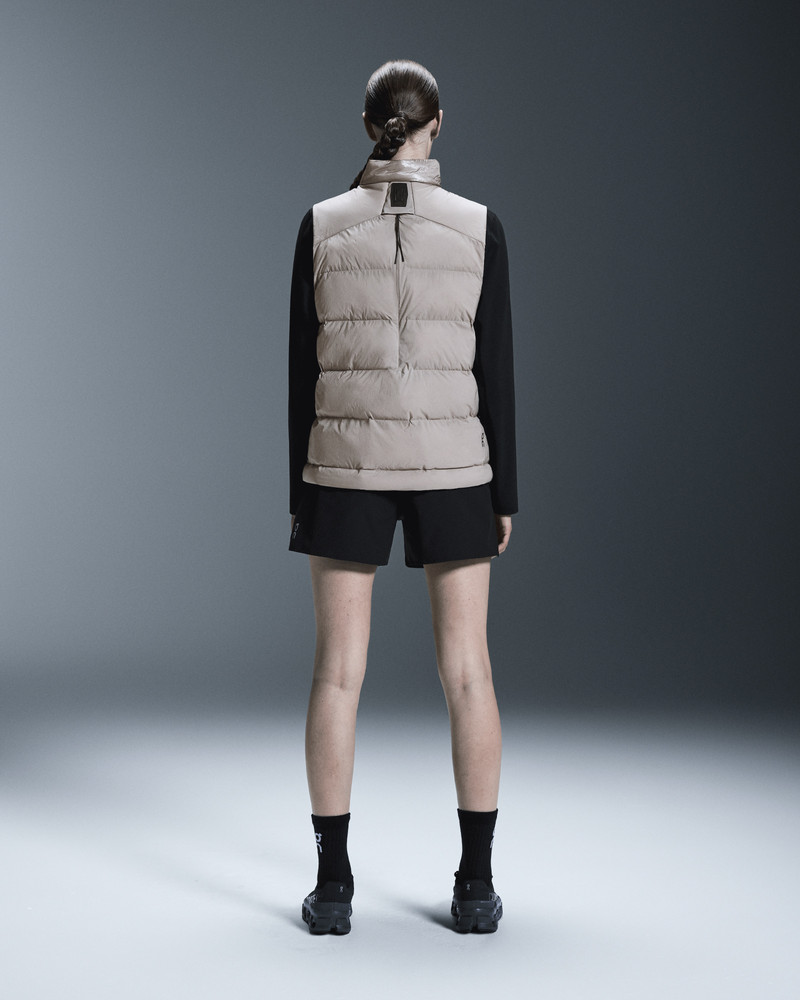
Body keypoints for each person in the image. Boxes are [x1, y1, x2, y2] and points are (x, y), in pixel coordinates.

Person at [288, 59, 517, 935]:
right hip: (456, 467)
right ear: (437, 123)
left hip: (342, 467)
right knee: (469, 673)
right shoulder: (480, 226)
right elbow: (497, 370)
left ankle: (333, 890)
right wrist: (505, 492)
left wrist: (301, 489)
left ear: (367, 124)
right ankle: (476, 887)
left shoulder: (320, 224)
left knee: (337, 674)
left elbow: (301, 372)